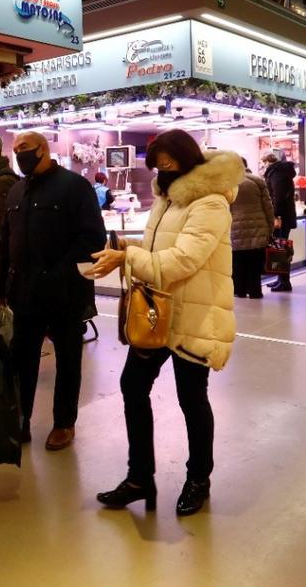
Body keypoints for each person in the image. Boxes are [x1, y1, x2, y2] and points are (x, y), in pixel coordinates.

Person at [83, 130, 240, 517]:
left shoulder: (210, 203)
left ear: (187, 160)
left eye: (169, 163)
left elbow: (182, 261)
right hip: (157, 313)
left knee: (192, 399)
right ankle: (139, 478)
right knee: (132, 387)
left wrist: (127, 258)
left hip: (195, 317)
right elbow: (158, 250)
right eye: (157, 165)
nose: (162, 171)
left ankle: (198, 479)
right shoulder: (168, 198)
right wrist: (125, 252)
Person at [1, 131, 105, 450]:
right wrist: (2, 285)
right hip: (25, 295)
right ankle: (21, 420)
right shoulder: (16, 191)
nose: (20, 154)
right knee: (22, 361)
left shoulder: (74, 187)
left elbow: (92, 238)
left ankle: (64, 423)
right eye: (16, 149)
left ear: (44, 150)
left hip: (66, 293)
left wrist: (57, 273)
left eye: (25, 149)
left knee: (68, 360)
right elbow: (6, 241)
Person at [230, 157, 275, 299]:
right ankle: (255, 291)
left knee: (238, 261)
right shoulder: (258, 181)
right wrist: (270, 227)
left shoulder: (227, 185)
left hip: (235, 228)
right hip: (257, 228)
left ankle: (240, 290)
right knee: (254, 263)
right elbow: (268, 207)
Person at [261, 152, 296, 292]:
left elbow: (278, 196)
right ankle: (280, 279)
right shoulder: (282, 172)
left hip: (281, 217)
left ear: (268, 162)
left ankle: (285, 282)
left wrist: (276, 216)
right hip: (284, 216)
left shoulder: (277, 173)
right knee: (279, 248)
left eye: (263, 163)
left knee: (280, 249)